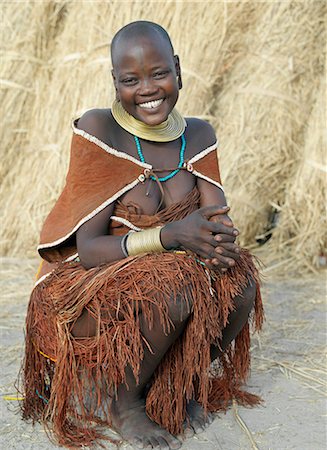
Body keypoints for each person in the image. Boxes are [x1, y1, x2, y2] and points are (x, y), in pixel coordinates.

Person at [20, 21, 264, 450]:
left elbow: (215, 217)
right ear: (115, 83)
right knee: (172, 289)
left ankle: (177, 384)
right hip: (92, 283)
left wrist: (221, 244)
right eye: (130, 80)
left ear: (178, 70)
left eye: (158, 74)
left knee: (240, 282)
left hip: (167, 271)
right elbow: (89, 249)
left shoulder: (199, 135)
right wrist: (170, 236)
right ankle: (123, 401)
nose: (147, 89)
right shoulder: (99, 130)